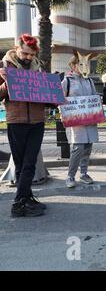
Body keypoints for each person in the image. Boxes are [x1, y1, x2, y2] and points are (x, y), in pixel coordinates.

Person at [0, 34, 47, 217]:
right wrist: (6, 83)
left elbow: (46, 96)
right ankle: (21, 201)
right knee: (22, 165)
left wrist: (58, 98)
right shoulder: (4, 67)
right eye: (25, 53)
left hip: (37, 121)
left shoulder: (39, 68)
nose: (28, 57)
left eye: (31, 54)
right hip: (16, 121)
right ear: (16, 48)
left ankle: (24, 199)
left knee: (29, 163)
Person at [62, 54, 99, 188]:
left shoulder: (89, 81)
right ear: (73, 65)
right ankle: (70, 176)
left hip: (90, 119)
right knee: (78, 148)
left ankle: (83, 174)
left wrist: (97, 104)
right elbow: (60, 99)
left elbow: (94, 96)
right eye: (81, 64)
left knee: (88, 147)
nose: (84, 67)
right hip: (76, 121)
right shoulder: (67, 81)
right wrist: (63, 113)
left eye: (86, 64)